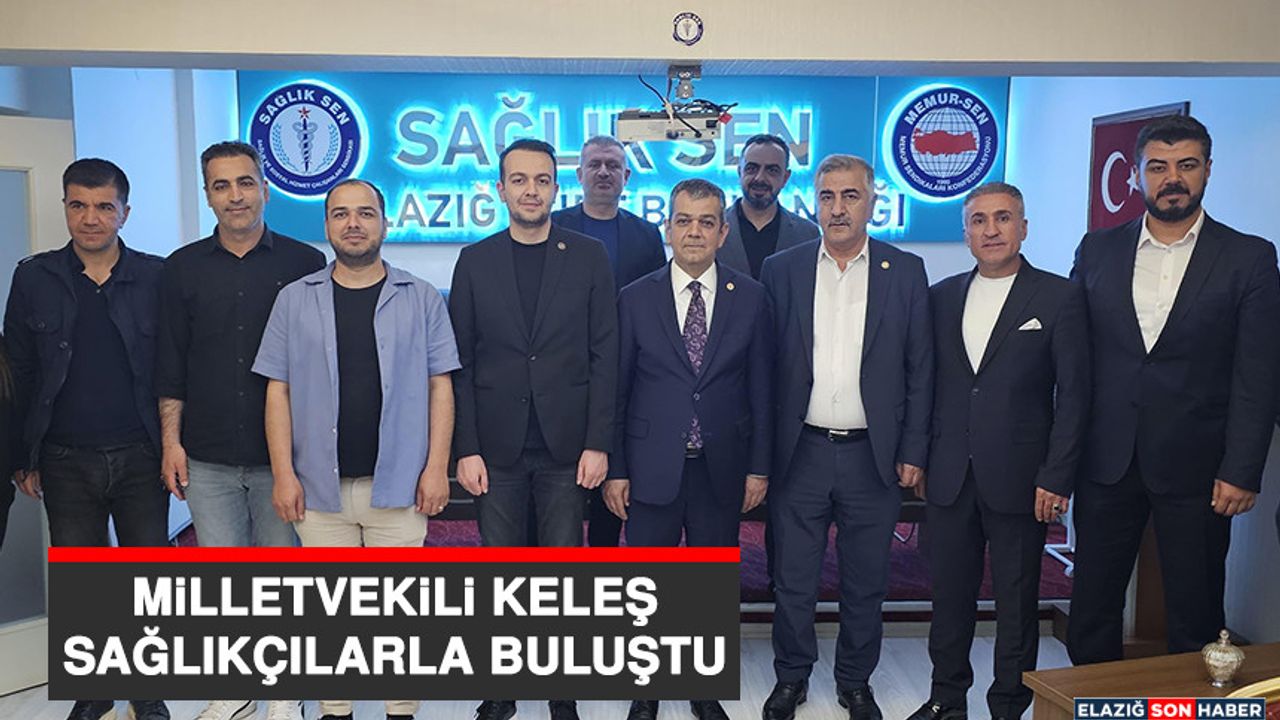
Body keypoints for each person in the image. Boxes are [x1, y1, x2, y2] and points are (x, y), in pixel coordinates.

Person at [1067, 115, 1280, 663]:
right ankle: (1092, 701)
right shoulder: (1097, 250)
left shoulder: (1249, 257)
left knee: (1195, 608)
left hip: (1199, 468)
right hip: (1107, 460)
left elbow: (1257, 373)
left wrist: (1242, 469)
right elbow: (1075, 362)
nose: (1172, 179)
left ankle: (1190, 702)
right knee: (1092, 606)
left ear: (1208, 170)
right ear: (1136, 175)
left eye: (1186, 165)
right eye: (1158, 167)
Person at [253, 178, 459, 720]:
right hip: (318, 489)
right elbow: (278, 391)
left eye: (365, 213)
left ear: (385, 223)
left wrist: (436, 468)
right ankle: (335, 710)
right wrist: (283, 474)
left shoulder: (421, 297)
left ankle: (400, 711)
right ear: (326, 225)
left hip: (400, 486)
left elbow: (441, 385)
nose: (353, 223)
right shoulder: (294, 299)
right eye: (341, 213)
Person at [448, 138, 617, 720]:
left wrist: (598, 442)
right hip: (495, 450)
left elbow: (605, 354)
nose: (530, 190)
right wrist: (465, 448)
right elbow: (460, 362)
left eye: (541, 180)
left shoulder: (589, 255)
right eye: (518, 180)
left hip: (568, 448)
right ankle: (501, 690)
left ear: (555, 188)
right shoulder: (475, 259)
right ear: (500, 189)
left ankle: (561, 692)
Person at [908, 182, 1089, 720]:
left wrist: (1057, 475)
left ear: (1023, 228)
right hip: (948, 475)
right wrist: (921, 455)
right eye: (979, 220)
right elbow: (928, 385)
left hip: (1023, 477)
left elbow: (1075, 396)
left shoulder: (1059, 297)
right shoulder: (941, 297)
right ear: (965, 233)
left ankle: (1008, 705)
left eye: (1003, 218)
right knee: (949, 599)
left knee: (1016, 600)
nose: (991, 230)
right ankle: (946, 699)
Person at [761, 154, 932, 720]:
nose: (837, 208)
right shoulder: (782, 269)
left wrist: (913, 449)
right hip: (800, 452)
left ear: (872, 201)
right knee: (793, 580)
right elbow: (764, 368)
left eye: (850, 196)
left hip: (872, 456)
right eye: (827, 196)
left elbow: (920, 368)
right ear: (815, 201)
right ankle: (791, 678)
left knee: (866, 581)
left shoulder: (903, 270)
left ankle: (855, 682)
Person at [157, 141, 322, 720]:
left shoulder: (304, 263)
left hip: (284, 459)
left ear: (265, 189)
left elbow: (319, 365)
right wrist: (171, 443)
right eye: (221, 186)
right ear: (207, 195)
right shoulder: (181, 268)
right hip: (206, 455)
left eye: (245, 183)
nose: (235, 196)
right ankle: (235, 687)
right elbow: (171, 364)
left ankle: (284, 690)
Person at [4, 158, 169, 720]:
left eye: (103, 206)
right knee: (85, 581)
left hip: (141, 454)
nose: (90, 218)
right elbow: (20, 372)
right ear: (65, 208)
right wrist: (24, 455)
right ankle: (96, 690)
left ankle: (147, 693)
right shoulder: (35, 278)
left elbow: (173, 370)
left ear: (125, 211)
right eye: (78, 205)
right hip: (64, 457)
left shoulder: (155, 277)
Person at [605, 178, 773, 720]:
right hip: (650, 465)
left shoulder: (751, 296)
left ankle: (703, 688)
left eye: (706, 222)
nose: (694, 232)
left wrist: (759, 468)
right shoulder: (635, 297)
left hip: (721, 467)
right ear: (668, 228)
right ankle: (646, 690)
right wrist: (616, 468)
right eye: (684, 220)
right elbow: (617, 390)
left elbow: (762, 389)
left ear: (723, 232)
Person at [552, 134, 667, 548]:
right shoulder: (554, 226)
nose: (604, 172)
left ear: (627, 176)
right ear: (579, 174)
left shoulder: (646, 235)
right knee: (559, 492)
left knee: (613, 485)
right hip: (563, 376)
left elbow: (657, 303)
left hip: (626, 375)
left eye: (613, 165)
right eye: (595, 165)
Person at [718, 134, 820, 280]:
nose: (760, 178)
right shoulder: (713, 230)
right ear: (740, 172)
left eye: (772, 170)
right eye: (752, 168)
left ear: (785, 178)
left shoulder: (808, 234)